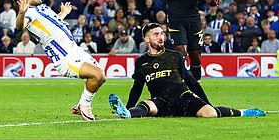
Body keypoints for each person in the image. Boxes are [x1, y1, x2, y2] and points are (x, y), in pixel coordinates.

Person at [109, 23, 264, 119]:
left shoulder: (175, 56)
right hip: (161, 100)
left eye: (162, 33)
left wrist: (206, 103)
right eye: (156, 34)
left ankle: (243, 112)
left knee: (210, 114)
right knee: (147, 106)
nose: (161, 37)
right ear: (147, 39)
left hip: (182, 96)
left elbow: (191, 81)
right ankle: (128, 113)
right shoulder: (142, 62)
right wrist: (129, 106)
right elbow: (137, 88)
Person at [12, 0, 106, 121]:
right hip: (65, 57)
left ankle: (81, 104)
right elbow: (20, 26)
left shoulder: (41, 8)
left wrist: (62, 14)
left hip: (75, 50)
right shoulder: (28, 13)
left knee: (102, 77)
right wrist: (22, 12)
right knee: (97, 75)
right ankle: (85, 107)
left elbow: (52, 26)